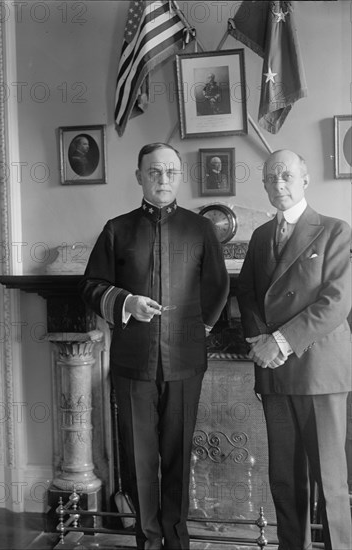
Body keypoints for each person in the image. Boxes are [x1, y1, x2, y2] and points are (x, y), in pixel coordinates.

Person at [80, 142, 230, 549]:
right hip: (133, 363)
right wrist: (126, 302)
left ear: (180, 177)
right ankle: (147, 540)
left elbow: (218, 285)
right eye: (154, 171)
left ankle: (177, 539)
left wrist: (200, 329)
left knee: (179, 456)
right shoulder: (117, 229)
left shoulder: (200, 230)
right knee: (139, 461)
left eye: (170, 172)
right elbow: (91, 287)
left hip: (184, 362)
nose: (163, 179)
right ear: (139, 177)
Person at [237, 149, 351, 550]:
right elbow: (246, 292)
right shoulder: (260, 236)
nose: (278, 184)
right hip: (274, 373)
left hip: (318, 371)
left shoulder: (336, 230)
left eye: (286, 176)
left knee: (331, 483)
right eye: (270, 178)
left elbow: (335, 302)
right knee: (285, 480)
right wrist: (258, 341)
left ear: (305, 180)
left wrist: (279, 343)